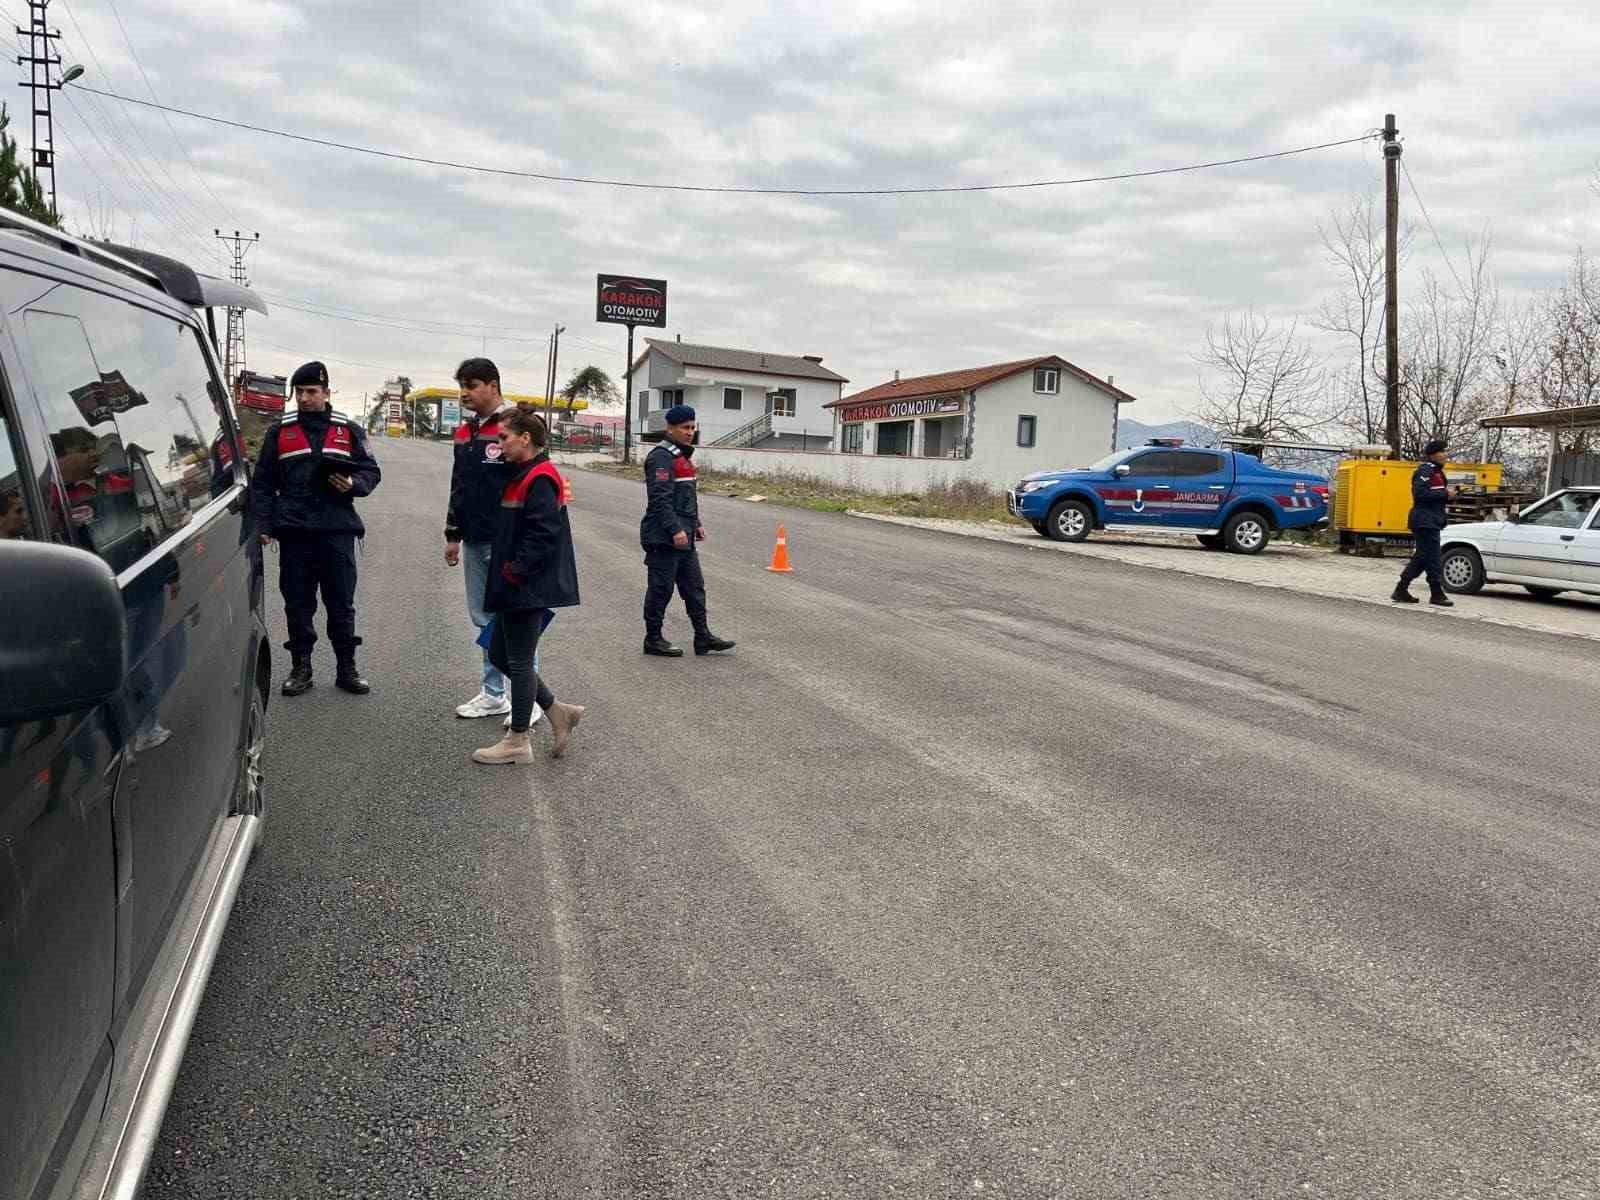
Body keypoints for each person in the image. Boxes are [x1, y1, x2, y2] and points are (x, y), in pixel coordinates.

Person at [254, 361, 382, 695]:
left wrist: (353, 483)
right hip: (295, 533)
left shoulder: (347, 430)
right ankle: (301, 668)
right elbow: (263, 482)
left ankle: (347, 668)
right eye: (299, 392)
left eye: (311, 391)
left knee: (341, 603)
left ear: (326, 393)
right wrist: (264, 523)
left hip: (337, 531)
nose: (304, 398)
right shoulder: (279, 431)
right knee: (297, 604)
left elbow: (371, 471)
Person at [473, 407, 584, 765]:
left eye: (504, 437)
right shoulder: (520, 473)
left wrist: (515, 572)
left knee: (519, 661)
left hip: (525, 585)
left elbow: (544, 533)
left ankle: (518, 740)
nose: (499, 444)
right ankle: (557, 710)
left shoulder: (540, 477)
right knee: (499, 653)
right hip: (513, 582)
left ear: (525, 438)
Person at [443, 357, 538, 727]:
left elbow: (535, 482)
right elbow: (459, 485)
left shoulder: (517, 427)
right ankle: (493, 694)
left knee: (515, 620)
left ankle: (528, 700)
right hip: (474, 540)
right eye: (461, 386)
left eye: (472, 385)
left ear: (493, 386)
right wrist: (453, 534)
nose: (464, 393)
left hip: (508, 542)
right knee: (484, 619)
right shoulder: (465, 432)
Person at [639, 405, 735, 658]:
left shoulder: (681, 456)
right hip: (663, 537)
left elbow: (686, 498)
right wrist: (675, 529)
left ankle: (702, 637)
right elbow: (659, 500)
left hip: (684, 535)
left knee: (695, 587)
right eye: (685, 428)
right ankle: (653, 639)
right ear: (670, 428)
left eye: (693, 427)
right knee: (661, 589)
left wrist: (696, 523)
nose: (690, 432)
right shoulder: (661, 457)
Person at [1392, 437, 1457, 606]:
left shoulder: (1437, 472)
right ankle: (1436, 593)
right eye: (1442, 451)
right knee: (1432, 557)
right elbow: (1420, 494)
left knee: (1423, 556)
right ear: (1433, 455)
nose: (1445, 455)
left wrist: (1450, 495)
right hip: (1424, 520)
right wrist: (1445, 494)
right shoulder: (1425, 471)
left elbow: (1435, 495)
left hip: (1432, 520)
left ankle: (1401, 589)